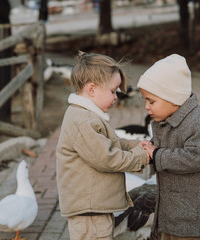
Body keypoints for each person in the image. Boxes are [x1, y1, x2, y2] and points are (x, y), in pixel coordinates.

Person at [56, 51, 150, 240]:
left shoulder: (88, 116)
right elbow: (106, 158)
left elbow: (112, 143)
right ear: (92, 89)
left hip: (95, 205)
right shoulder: (83, 122)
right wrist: (140, 157)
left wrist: (136, 145)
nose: (116, 97)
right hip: (89, 210)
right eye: (113, 91)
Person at [138, 54, 200, 240]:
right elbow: (165, 143)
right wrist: (150, 147)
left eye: (151, 101)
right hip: (177, 208)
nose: (146, 107)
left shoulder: (197, 123)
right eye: (145, 101)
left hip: (194, 213)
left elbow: (194, 158)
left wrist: (157, 155)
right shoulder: (164, 119)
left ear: (172, 98)